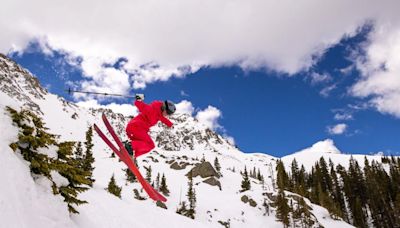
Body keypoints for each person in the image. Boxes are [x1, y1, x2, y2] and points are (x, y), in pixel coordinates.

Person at [124, 94, 176, 158]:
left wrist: (170, 124)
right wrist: (138, 100)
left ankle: (132, 155)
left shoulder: (159, 114)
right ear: (164, 109)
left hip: (136, 129)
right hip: (136, 127)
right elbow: (141, 106)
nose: (168, 115)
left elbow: (163, 119)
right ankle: (129, 146)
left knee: (147, 146)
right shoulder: (151, 109)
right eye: (168, 113)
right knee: (150, 145)